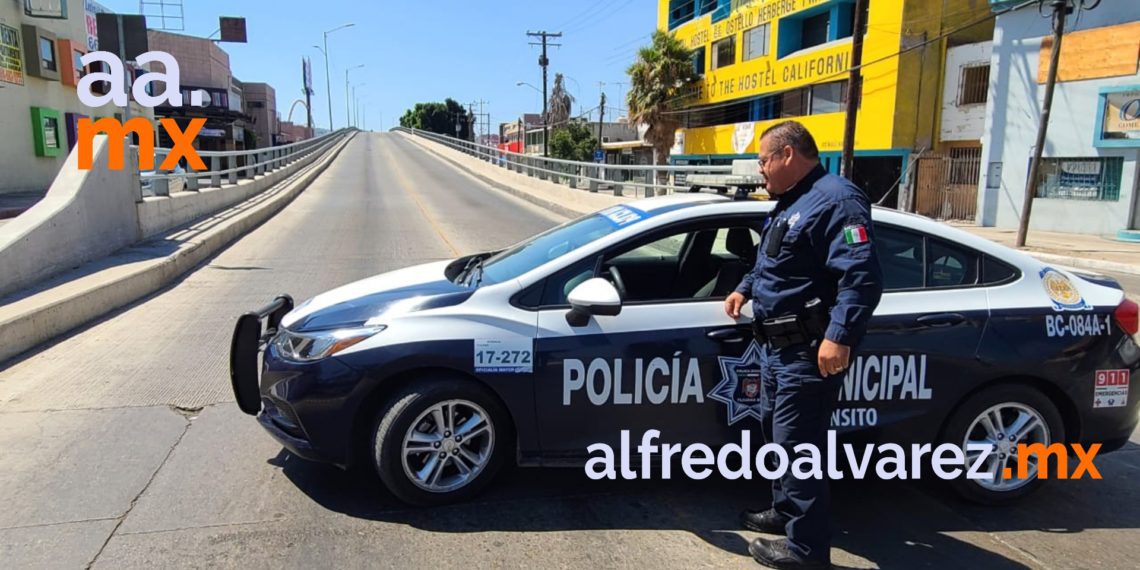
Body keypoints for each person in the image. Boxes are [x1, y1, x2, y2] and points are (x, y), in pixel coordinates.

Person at [724, 121, 883, 569]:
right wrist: (745, 287)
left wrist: (839, 336)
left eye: (763, 160)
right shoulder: (791, 201)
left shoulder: (838, 200)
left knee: (798, 446)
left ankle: (806, 550)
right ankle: (785, 512)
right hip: (777, 348)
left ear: (788, 154)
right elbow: (774, 263)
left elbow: (861, 276)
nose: (760, 170)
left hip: (808, 350)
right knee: (777, 434)